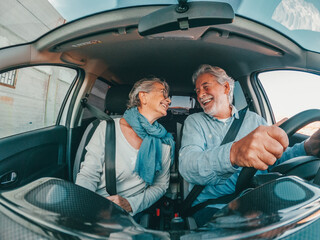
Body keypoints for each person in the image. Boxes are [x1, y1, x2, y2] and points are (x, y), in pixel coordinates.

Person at [179, 64, 320, 227]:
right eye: (197, 91)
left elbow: (276, 158)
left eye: (205, 87)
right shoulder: (195, 122)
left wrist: (308, 147)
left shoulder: (254, 120)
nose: (200, 95)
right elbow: (188, 165)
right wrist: (233, 154)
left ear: (225, 87)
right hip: (213, 206)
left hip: (256, 196)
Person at [76, 77, 175, 218]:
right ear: (143, 97)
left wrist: (131, 204)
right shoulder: (107, 128)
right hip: (96, 206)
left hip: (132, 213)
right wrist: (85, 208)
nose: (169, 100)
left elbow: (160, 186)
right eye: (163, 93)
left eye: (168, 97)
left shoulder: (165, 142)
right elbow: (88, 175)